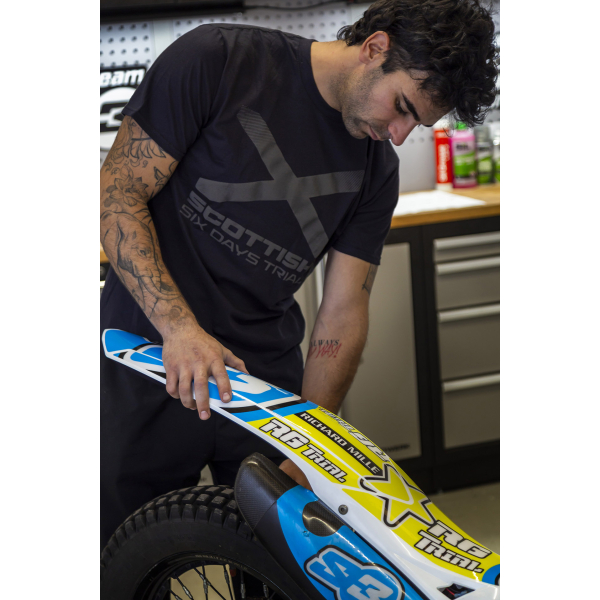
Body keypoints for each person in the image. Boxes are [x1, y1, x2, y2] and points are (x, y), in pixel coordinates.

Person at [100, 0, 499, 548]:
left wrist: (313, 445)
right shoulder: (217, 60)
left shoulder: (376, 168)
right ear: (375, 48)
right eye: (402, 107)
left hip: (261, 381)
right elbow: (118, 194)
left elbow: (343, 310)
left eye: (417, 124)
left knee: (280, 562)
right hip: (147, 358)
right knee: (124, 553)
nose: (400, 135)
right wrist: (180, 329)